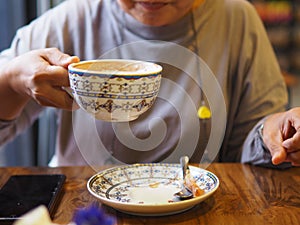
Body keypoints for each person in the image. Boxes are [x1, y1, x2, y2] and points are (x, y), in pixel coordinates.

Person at [0, 0, 298, 168]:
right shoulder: (72, 20)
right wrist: (12, 81)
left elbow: (253, 147)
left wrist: (276, 132)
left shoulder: (237, 20)